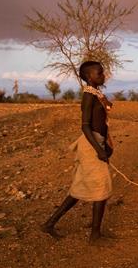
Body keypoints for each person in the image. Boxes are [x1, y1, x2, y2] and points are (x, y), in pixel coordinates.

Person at [41, 60, 115, 244]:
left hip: (96, 143)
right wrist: (98, 149)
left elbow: (102, 119)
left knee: (79, 188)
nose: (103, 75)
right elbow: (85, 126)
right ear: (89, 76)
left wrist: (106, 145)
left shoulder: (96, 94)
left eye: (102, 72)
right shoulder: (88, 96)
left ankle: (49, 224)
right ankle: (95, 236)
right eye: (99, 73)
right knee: (101, 187)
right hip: (91, 146)